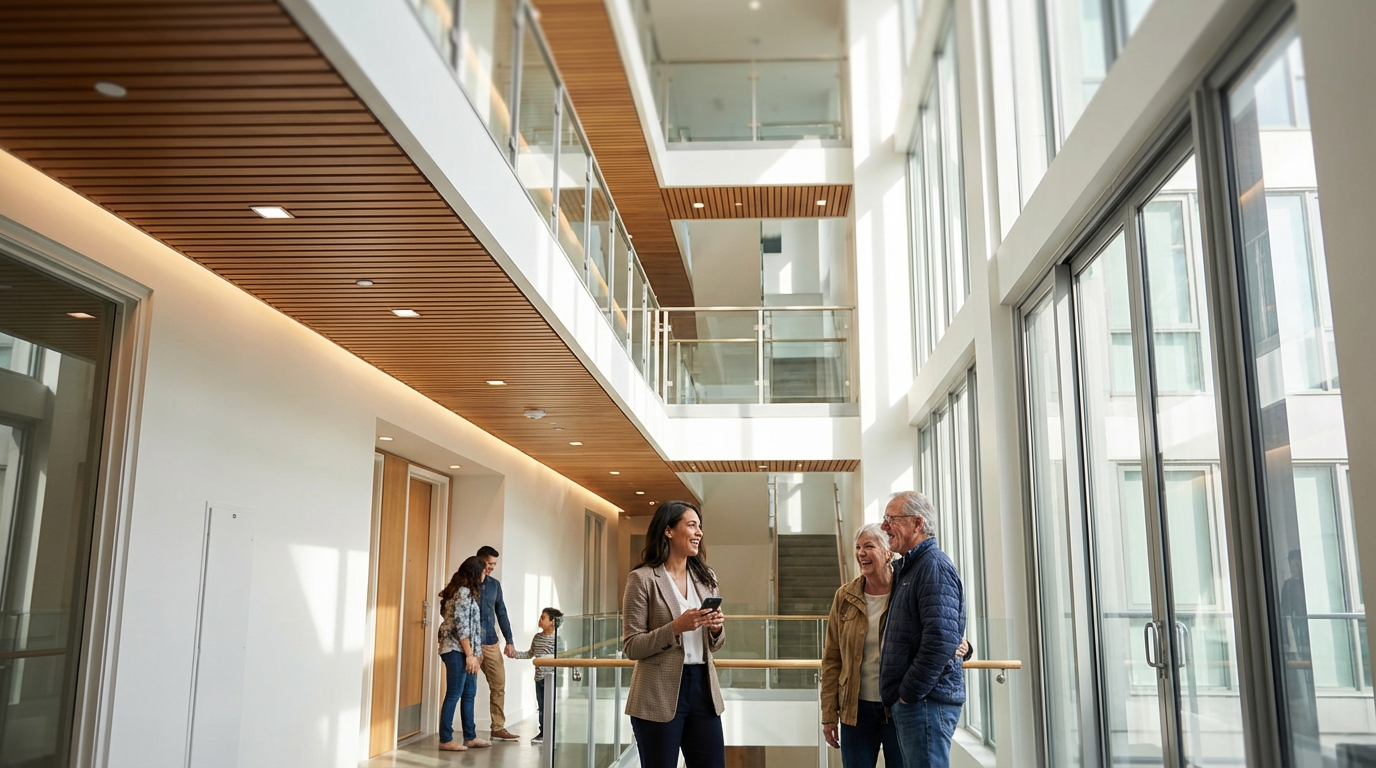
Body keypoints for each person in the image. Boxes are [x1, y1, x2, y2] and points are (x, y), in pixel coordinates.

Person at [821, 524, 972, 768]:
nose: (860, 553)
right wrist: (829, 713)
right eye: (858, 547)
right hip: (855, 710)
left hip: (898, 704)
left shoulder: (906, 590)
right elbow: (832, 659)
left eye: (869, 546)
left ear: (888, 552)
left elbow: (936, 631)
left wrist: (963, 646)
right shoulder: (845, 596)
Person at [622, 501, 726, 768]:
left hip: (703, 689)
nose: (699, 532)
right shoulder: (642, 579)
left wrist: (716, 628)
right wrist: (676, 627)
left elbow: (715, 645)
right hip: (657, 692)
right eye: (691, 525)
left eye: (699, 526)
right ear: (668, 530)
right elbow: (632, 646)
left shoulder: (707, 577)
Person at [879, 491, 965, 768]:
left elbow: (941, 640)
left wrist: (909, 693)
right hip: (917, 702)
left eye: (891, 518)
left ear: (917, 523)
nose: (883, 526)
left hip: (925, 702)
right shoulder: (911, 567)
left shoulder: (933, 566)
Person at [436, 556, 492, 751]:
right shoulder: (462, 592)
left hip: (466, 650)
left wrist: (476, 653)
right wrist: (469, 654)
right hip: (455, 650)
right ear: (475, 572)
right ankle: (445, 739)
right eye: (484, 570)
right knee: (454, 693)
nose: (486, 573)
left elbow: (472, 626)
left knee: (469, 692)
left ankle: (470, 737)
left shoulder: (467, 591)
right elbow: (461, 626)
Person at [475, 545, 520, 741]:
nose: (491, 567)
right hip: (468, 643)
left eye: (494, 564)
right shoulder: (465, 582)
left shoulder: (495, 585)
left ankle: (498, 727)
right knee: (465, 689)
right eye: (489, 563)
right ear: (479, 561)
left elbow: (501, 612)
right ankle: (467, 731)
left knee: (499, 685)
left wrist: (509, 641)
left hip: (490, 642)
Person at [512, 607, 564, 745]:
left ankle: (551, 732)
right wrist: (515, 654)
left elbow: (562, 659)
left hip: (551, 679)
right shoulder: (537, 637)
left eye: (543, 617)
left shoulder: (558, 640)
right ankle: (543, 733)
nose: (539, 620)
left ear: (552, 621)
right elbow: (530, 654)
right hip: (539, 679)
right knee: (541, 707)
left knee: (550, 707)